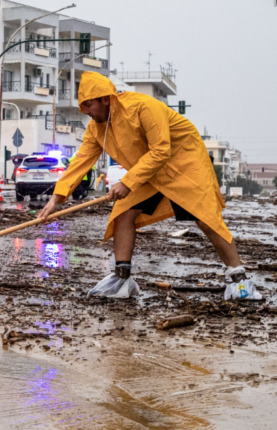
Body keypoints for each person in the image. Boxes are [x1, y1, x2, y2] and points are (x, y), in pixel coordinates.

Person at [37, 72, 260, 300]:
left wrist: (128, 182)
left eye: (88, 104)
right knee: (123, 213)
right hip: (150, 170)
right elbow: (80, 162)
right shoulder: (97, 129)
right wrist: (57, 198)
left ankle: (239, 280)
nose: (85, 111)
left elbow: (161, 150)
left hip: (184, 163)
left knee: (204, 217)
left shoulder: (143, 107)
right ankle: (122, 279)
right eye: (82, 105)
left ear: (106, 99)